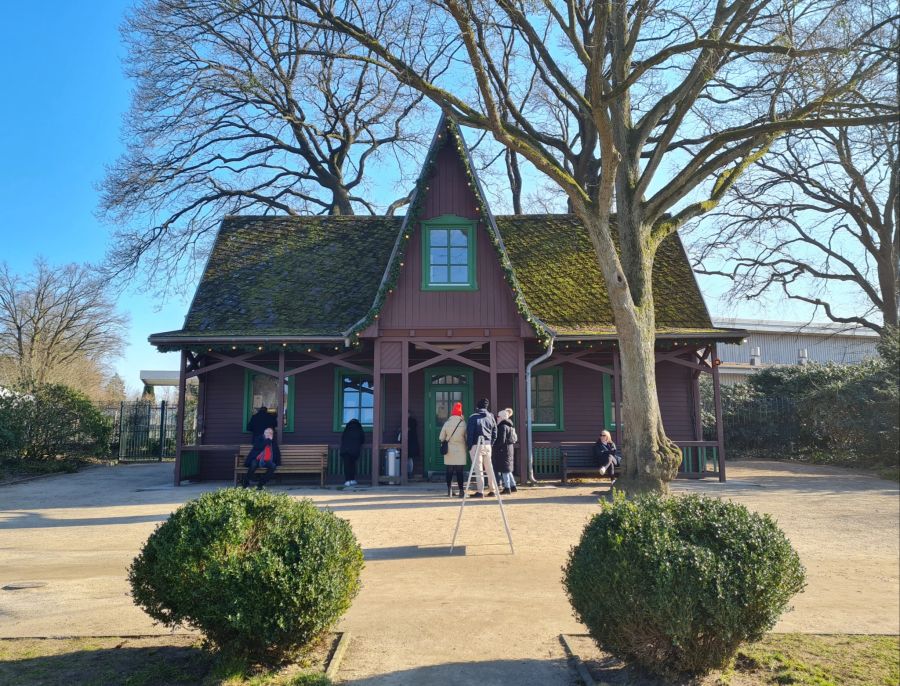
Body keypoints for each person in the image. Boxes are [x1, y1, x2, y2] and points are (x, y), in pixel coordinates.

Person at [466, 398, 499, 498]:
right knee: (489, 468)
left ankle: (480, 491)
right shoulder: (491, 417)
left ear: (478, 406)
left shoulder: (473, 417)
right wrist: (491, 443)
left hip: (476, 445)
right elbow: (495, 433)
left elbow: (470, 433)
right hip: (488, 444)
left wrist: (469, 446)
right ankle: (492, 489)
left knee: (478, 468)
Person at [439, 401, 467, 497]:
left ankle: (449, 490)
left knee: (449, 470)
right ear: (460, 412)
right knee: (460, 471)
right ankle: (461, 490)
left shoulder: (447, 423)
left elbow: (441, 437)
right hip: (460, 449)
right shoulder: (463, 423)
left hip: (449, 449)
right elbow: (466, 437)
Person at [494, 408, 518, 494]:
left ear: (502, 417)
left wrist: (495, 445)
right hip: (509, 449)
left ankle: (507, 488)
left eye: (498, 416)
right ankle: (513, 486)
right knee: (508, 469)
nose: (497, 418)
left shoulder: (502, 426)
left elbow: (501, 440)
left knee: (504, 469)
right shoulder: (510, 425)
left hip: (503, 450)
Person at [340, 418, 366, 486]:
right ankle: (352, 479)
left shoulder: (347, 428)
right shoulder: (359, 428)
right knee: (352, 465)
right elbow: (362, 439)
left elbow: (342, 438)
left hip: (345, 450)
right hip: (354, 450)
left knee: (347, 465)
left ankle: (347, 481)